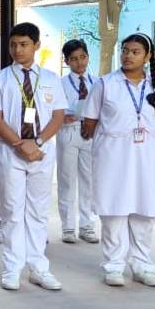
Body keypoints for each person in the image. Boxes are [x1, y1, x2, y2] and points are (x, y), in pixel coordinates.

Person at [82, 33, 155, 288]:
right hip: (114, 158)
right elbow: (90, 121)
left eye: (135, 52)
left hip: (145, 158)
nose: (128, 56)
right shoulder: (105, 84)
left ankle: (143, 265)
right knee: (114, 210)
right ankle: (113, 266)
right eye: (125, 50)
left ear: (148, 57)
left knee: (144, 210)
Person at [0, 23, 68, 291]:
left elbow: (58, 116)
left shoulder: (52, 79)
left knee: (38, 211)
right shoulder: (1, 79)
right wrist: (21, 144)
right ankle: (12, 268)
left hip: (42, 151)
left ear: (36, 46)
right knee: (11, 211)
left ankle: (38, 268)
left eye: (24, 44)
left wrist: (38, 142)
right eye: (13, 45)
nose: (18, 50)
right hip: (11, 151)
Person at [56, 39, 100, 244]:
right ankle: (67, 226)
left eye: (82, 57)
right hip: (69, 131)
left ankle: (87, 225)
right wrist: (64, 116)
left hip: (91, 134)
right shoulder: (60, 83)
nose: (79, 63)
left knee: (89, 180)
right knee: (67, 180)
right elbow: (54, 108)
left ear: (88, 57)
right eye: (73, 59)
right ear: (67, 61)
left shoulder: (97, 82)